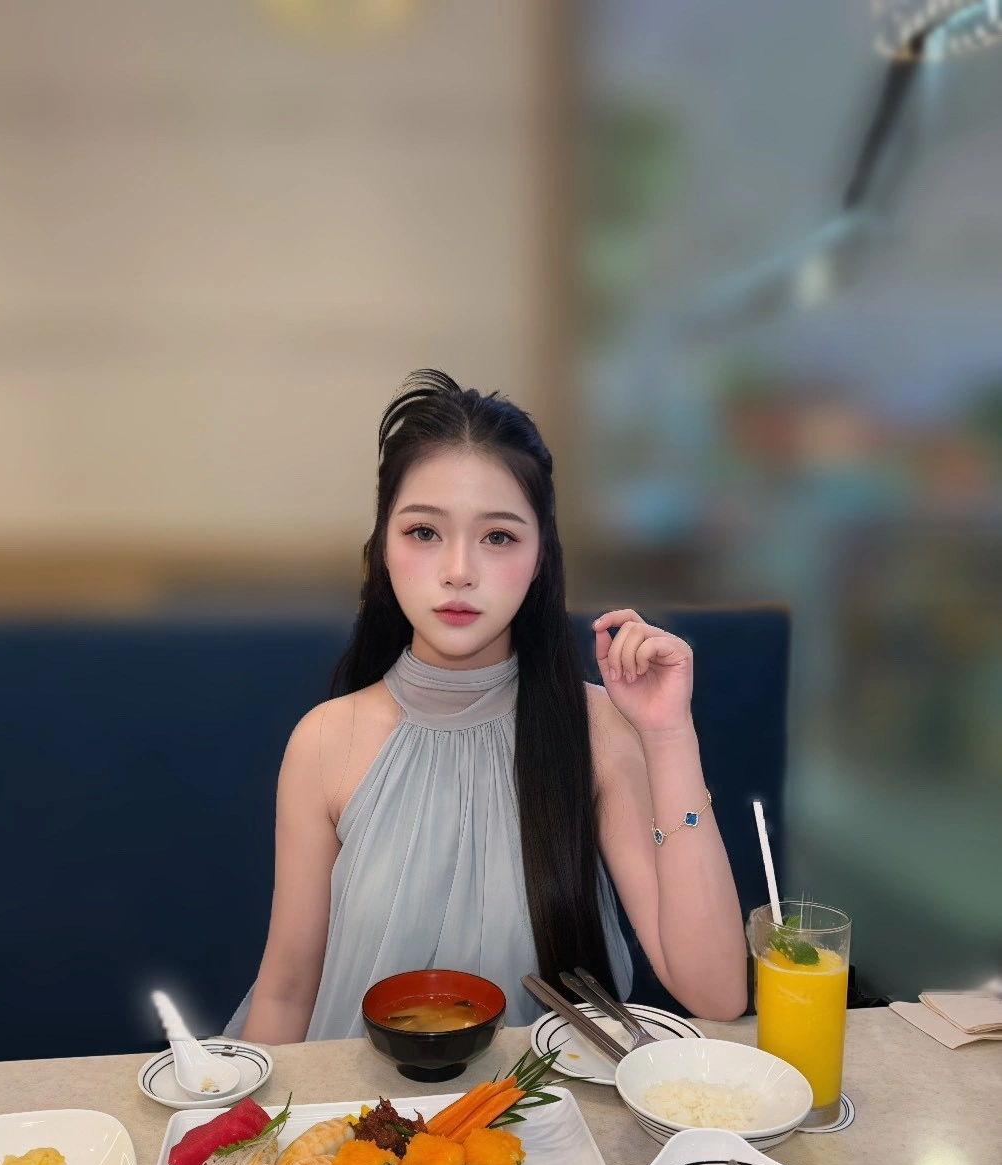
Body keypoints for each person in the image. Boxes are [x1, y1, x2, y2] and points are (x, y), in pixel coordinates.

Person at [229, 370, 747, 1044]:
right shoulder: (324, 741)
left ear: (540, 557)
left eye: (498, 537)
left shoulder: (595, 730)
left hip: (550, 1107)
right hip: (357, 1103)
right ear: (383, 545)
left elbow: (716, 992)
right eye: (424, 531)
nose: (459, 571)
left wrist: (668, 733)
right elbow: (287, 991)